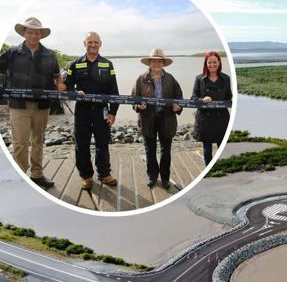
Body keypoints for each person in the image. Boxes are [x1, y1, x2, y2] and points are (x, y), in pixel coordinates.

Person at [0, 17, 65, 188]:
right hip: (18, 105)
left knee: (38, 141)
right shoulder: (12, 52)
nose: (33, 35)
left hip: (42, 105)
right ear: (24, 33)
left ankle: (37, 174)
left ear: (41, 35)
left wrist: (59, 83)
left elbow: (57, 75)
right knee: (20, 143)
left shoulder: (50, 54)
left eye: (37, 32)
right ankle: (20, 176)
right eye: (30, 32)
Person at [65, 32, 119, 190]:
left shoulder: (108, 64)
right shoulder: (74, 64)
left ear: (100, 44)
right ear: (85, 44)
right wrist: (74, 93)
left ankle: (104, 174)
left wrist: (113, 112)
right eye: (90, 42)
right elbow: (67, 86)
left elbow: (113, 91)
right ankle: (86, 176)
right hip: (82, 111)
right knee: (81, 145)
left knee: (102, 144)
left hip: (101, 111)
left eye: (96, 42)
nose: (93, 45)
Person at [131, 48, 182, 189]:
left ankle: (165, 178)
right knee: (150, 150)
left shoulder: (171, 79)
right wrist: (138, 107)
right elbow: (134, 100)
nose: (157, 63)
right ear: (150, 63)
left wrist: (177, 107)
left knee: (166, 151)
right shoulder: (141, 79)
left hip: (167, 119)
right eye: (154, 61)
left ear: (163, 63)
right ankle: (152, 176)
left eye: (159, 61)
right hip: (148, 119)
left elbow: (179, 98)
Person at [192, 51, 232, 166]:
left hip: (221, 119)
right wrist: (202, 99)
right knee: (207, 150)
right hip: (205, 118)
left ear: (219, 62)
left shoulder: (226, 78)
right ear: (206, 64)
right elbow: (194, 98)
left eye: (214, 62)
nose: (212, 65)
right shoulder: (199, 79)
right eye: (209, 62)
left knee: (222, 148)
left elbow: (228, 97)